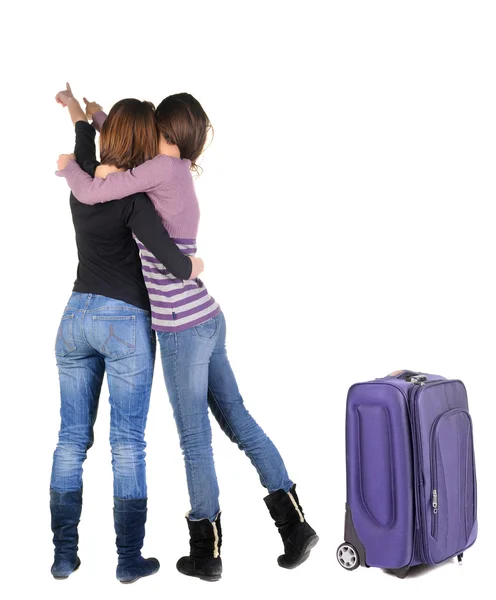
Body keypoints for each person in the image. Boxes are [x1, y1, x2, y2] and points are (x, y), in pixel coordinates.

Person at [57, 91, 318, 582]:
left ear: (168, 135)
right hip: (208, 315)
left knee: (195, 440)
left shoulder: (161, 169)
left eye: (155, 126)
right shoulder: (171, 169)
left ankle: (206, 550)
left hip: (180, 326)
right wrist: (92, 114)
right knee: (238, 418)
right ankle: (295, 525)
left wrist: (71, 164)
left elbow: (92, 191)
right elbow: (126, 136)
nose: (148, 134)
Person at [51, 84, 204, 584]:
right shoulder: (136, 200)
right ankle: (128, 559)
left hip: (75, 316)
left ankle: (64, 555)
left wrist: (79, 108)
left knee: (71, 441)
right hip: (125, 323)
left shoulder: (82, 177)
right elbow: (173, 261)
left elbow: (81, 135)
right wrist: (194, 264)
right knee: (127, 444)